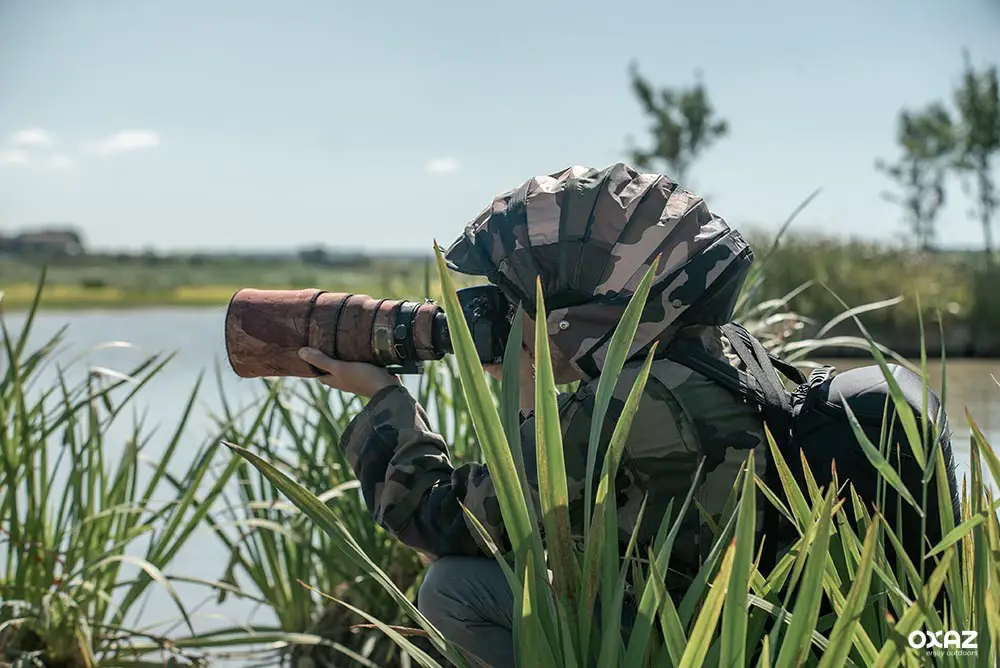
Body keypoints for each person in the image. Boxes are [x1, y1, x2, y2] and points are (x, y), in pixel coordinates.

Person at [297, 163, 768, 668]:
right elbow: (542, 504)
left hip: (676, 642)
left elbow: (434, 518)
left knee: (451, 589)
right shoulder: (721, 354)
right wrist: (531, 387)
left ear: (598, 298)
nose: (510, 311)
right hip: (734, 625)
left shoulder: (629, 404)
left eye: (524, 297)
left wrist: (381, 396)